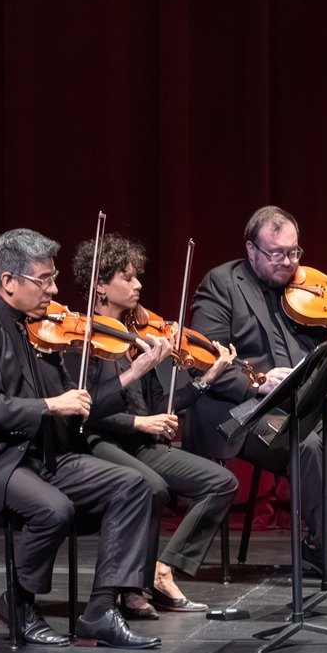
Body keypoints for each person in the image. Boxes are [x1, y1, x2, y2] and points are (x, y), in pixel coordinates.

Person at [0, 229, 164, 649]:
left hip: (37, 455)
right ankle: (18, 604)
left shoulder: (34, 328)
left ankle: (101, 610)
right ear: (8, 282)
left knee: (133, 485)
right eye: (44, 279)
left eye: (53, 277)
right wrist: (49, 405)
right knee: (54, 509)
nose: (55, 289)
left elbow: (81, 404)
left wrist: (134, 371)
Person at [187, 207, 327, 587]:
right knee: (304, 445)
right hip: (245, 408)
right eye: (277, 254)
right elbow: (203, 359)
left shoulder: (307, 292)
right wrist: (256, 380)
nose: (288, 263)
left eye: (294, 252)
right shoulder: (222, 284)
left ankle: (316, 543)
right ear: (252, 250)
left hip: (301, 401)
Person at [72, 235, 242, 616]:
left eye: (137, 277)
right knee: (151, 488)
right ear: (100, 284)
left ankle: (163, 569)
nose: (138, 285)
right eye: (128, 278)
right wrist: (140, 421)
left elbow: (157, 405)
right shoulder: (84, 339)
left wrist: (205, 380)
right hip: (98, 441)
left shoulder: (136, 338)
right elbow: (87, 410)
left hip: (137, 441)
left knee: (221, 482)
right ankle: (130, 590)